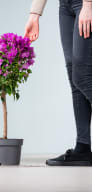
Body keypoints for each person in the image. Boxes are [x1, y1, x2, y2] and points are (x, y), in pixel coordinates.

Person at [24, 0, 92, 166]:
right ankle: (83, 148)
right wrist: (34, 14)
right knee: (73, 75)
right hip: (65, 6)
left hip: (84, 4)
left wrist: (88, 5)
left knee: (82, 76)